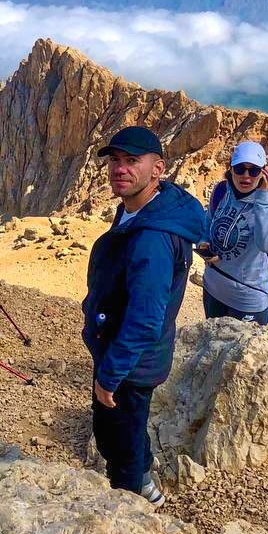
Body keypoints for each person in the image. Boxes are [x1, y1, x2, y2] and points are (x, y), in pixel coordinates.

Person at [82, 126, 206, 507]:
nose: (120, 168)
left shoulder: (151, 237)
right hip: (127, 354)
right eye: (115, 160)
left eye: (132, 160)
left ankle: (131, 504)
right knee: (126, 429)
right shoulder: (142, 210)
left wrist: (109, 374)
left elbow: (145, 319)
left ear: (158, 169)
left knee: (119, 442)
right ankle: (145, 480)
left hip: (130, 361)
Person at [199, 141, 268, 324]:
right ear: (231, 169)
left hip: (247, 298)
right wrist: (204, 243)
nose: (246, 176)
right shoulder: (221, 190)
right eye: (240, 169)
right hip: (213, 288)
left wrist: (262, 199)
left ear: (264, 172)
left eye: (253, 170)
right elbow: (207, 224)